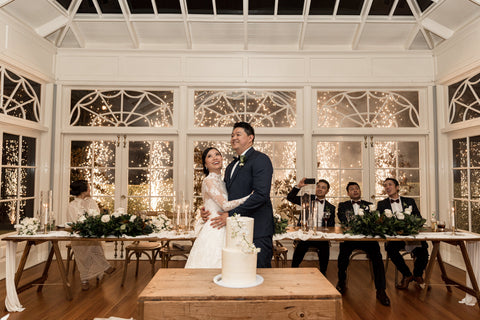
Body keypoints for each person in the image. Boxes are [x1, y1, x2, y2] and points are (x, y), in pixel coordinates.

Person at [203, 122, 274, 268]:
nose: (234, 137)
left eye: (238, 134)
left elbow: (261, 195)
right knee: (238, 274)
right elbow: (224, 196)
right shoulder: (230, 167)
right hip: (235, 232)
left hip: (257, 230)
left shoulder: (261, 159)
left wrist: (231, 214)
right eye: (232, 135)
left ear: (250, 138)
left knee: (260, 274)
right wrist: (206, 210)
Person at [185, 147, 250, 268]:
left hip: (226, 225)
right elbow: (225, 205)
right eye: (209, 156)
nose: (215, 157)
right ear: (205, 165)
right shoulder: (208, 181)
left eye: (217, 154)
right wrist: (250, 197)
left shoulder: (224, 182)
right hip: (215, 228)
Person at [336, 182, 390, 306]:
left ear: (360, 191)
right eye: (351, 189)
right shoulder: (343, 205)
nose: (355, 191)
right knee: (342, 256)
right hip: (350, 238)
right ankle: (342, 282)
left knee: (377, 257)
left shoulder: (369, 205)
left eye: (357, 189)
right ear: (348, 193)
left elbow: (373, 221)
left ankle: (381, 290)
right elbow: (343, 219)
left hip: (367, 239)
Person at [377, 177, 429, 289]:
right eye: (385, 185)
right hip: (395, 237)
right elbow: (381, 223)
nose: (387, 187)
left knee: (424, 248)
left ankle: (418, 275)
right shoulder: (381, 204)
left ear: (397, 187)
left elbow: (418, 218)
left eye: (390, 184)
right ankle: (407, 275)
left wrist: (411, 226)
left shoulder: (410, 201)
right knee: (391, 249)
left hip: (411, 235)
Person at [67, 180, 115, 291]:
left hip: (92, 233)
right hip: (78, 235)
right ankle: (89, 276)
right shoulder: (72, 206)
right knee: (85, 247)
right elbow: (74, 222)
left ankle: (98, 271)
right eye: (88, 187)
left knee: (94, 243)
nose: (90, 189)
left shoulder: (91, 202)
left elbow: (97, 216)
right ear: (83, 190)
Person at [287, 178, 335, 275]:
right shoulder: (306, 198)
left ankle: (323, 273)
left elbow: (331, 225)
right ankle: (293, 271)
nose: (320, 189)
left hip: (320, 236)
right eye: (318, 186)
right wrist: (299, 186)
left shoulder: (331, 207)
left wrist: (324, 233)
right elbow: (290, 198)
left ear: (327, 191)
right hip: (306, 234)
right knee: (300, 249)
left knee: (325, 249)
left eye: (323, 188)